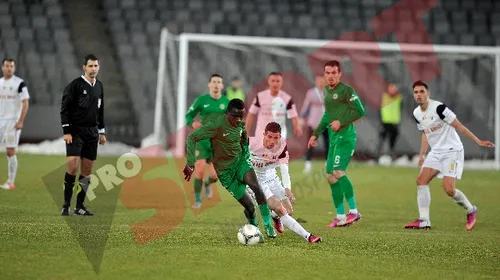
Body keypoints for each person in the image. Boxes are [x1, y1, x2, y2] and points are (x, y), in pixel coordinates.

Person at [405, 80, 494, 231]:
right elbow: (425, 134)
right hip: (436, 152)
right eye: (416, 92)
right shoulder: (416, 113)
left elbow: (459, 126)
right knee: (421, 181)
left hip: (452, 151)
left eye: (422, 92)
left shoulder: (439, 108)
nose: (419, 95)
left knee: (449, 190)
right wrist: (422, 155)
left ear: (428, 93)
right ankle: (424, 220)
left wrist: (478, 141)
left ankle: (471, 209)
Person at [183, 99, 277, 238]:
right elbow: (192, 138)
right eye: (235, 117)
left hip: (240, 163)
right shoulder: (216, 125)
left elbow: (244, 137)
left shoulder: (241, 123)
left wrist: (245, 154)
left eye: (241, 116)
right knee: (250, 207)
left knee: (256, 186)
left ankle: (268, 225)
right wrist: (191, 163)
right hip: (226, 173)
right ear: (227, 114)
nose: (239, 120)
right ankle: (254, 227)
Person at [308, 60, 365, 228]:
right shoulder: (326, 91)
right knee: (330, 176)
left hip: (346, 139)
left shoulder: (347, 90)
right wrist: (315, 134)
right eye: (328, 73)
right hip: (334, 139)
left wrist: (341, 121)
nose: (331, 76)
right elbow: (327, 116)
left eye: (334, 73)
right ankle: (340, 216)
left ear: (339, 74)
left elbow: (360, 111)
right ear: (324, 75)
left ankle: (354, 212)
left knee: (338, 172)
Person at [248, 122, 322, 243]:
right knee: (280, 209)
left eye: (276, 138)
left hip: (272, 177)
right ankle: (309, 236)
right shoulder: (251, 142)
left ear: (280, 137)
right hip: (257, 182)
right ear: (264, 135)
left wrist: (287, 188)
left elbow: (284, 170)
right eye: (269, 137)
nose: (272, 141)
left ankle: (275, 216)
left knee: (289, 211)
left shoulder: (282, 147)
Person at [60, 54, 106, 216]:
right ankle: (66, 205)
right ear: (84, 67)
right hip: (75, 131)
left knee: (87, 170)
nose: (93, 69)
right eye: (90, 66)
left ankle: (79, 206)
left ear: (98, 67)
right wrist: (66, 131)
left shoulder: (99, 86)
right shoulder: (75, 85)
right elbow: (65, 109)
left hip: (92, 133)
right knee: (72, 166)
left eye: (96, 66)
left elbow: (100, 111)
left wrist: (101, 132)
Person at [185, 74, 229, 209]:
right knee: (199, 170)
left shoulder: (227, 102)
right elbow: (189, 115)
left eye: (219, 82)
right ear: (209, 84)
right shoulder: (202, 100)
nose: (216, 84)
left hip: (218, 142)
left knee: (215, 176)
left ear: (222, 85)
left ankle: (208, 183)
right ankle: (198, 200)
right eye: (214, 82)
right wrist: (192, 124)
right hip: (203, 140)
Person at [0, 58, 30, 190]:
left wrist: (20, 121)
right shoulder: (0, 83)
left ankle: (11, 182)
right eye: (7, 66)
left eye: (11, 66)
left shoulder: (20, 84)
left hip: (12, 123)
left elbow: (25, 103)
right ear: (2, 67)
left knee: (10, 151)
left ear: (14, 68)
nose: (9, 68)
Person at [246, 72, 302, 139]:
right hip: (262, 135)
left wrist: (297, 127)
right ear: (268, 82)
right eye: (273, 81)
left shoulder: (287, 98)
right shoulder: (260, 96)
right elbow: (251, 114)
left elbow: (294, 116)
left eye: (278, 81)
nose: (275, 84)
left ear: (282, 83)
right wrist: (246, 131)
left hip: (278, 136)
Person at [300, 75, 329, 173]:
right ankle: (308, 164)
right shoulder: (311, 93)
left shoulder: (329, 92)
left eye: (322, 81)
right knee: (311, 143)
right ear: (316, 82)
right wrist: (302, 118)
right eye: (319, 81)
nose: (321, 83)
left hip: (326, 122)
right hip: (313, 122)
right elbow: (306, 106)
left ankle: (327, 164)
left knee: (328, 144)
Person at [377, 83, 403, 160]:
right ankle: (378, 156)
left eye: (394, 89)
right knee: (382, 139)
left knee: (393, 139)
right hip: (385, 122)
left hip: (394, 122)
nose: (392, 90)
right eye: (391, 88)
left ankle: (391, 155)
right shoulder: (384, 96)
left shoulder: (398, 97)